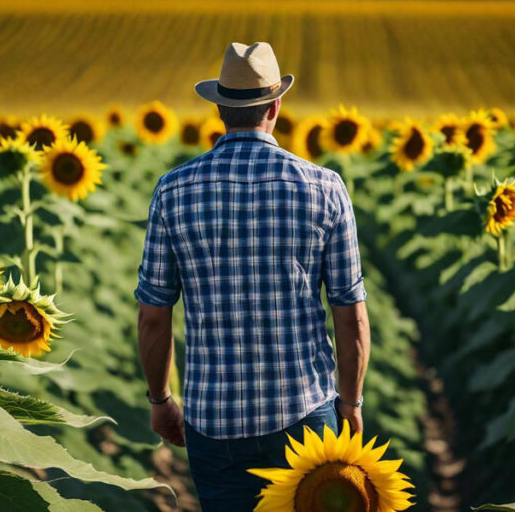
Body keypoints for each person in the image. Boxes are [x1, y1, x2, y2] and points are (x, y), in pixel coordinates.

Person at [134, 42, 371, 511]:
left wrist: (161, 400)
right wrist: (352, 402)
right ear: (276, 106)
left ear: (220, 108)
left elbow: (153, 318)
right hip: (304, 415)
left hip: (213, 422)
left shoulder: (173, 189)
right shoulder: (324, 187)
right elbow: (351, 315)